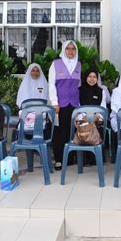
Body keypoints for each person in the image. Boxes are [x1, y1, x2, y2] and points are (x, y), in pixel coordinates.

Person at [48, 40, 81, 171]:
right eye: (68, 49)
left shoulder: (78, 65)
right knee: (59, 132)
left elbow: (78, 85)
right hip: (60, 105)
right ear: (64, 50)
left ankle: (70, 157)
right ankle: (59, 160)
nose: (71, 51)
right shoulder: (55, 64)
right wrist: (54, 102)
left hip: (74, 104)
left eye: (73, 49)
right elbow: (51, 85)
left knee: (71, 131)